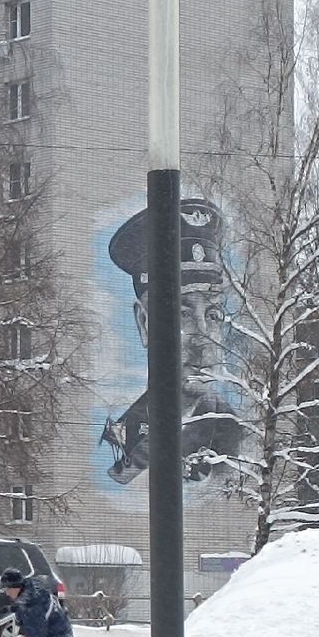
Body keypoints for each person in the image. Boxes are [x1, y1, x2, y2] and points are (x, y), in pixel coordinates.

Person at [99, 198, 244, 486]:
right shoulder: (123, 438)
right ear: (144, 325)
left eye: (213, 315)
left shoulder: (234, 436)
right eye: (182, 314)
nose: (203, 339)